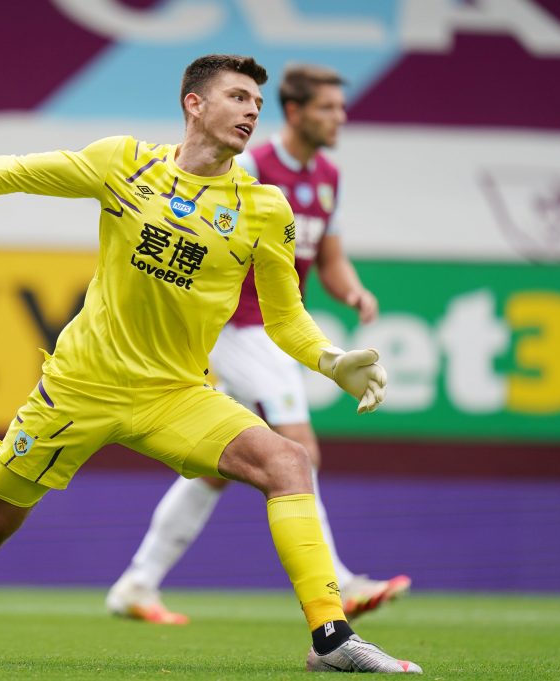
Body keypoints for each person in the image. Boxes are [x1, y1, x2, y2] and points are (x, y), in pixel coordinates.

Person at [0, 54, 420, 674]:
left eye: (256, 102)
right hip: (78, 389)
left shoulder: (265, 209)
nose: (251, 111)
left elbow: (285, 318)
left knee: (287, 460)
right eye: (236, 97)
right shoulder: (125, 163)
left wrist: (332, 361)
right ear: (193, 105)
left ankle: (331, 639)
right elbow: (15, 172)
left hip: (175, 394)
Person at [106, 64, 410, 627]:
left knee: (216, 470)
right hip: (234, 327)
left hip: (269, 331)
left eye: (341, 108)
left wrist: (353, 292)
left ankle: (135, 583)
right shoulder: (248, 165)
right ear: (296, 113)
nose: (339, 117)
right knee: (298, 448)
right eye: (327, 108)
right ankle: (337, 585)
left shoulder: (327, 178)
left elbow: (329, 258)